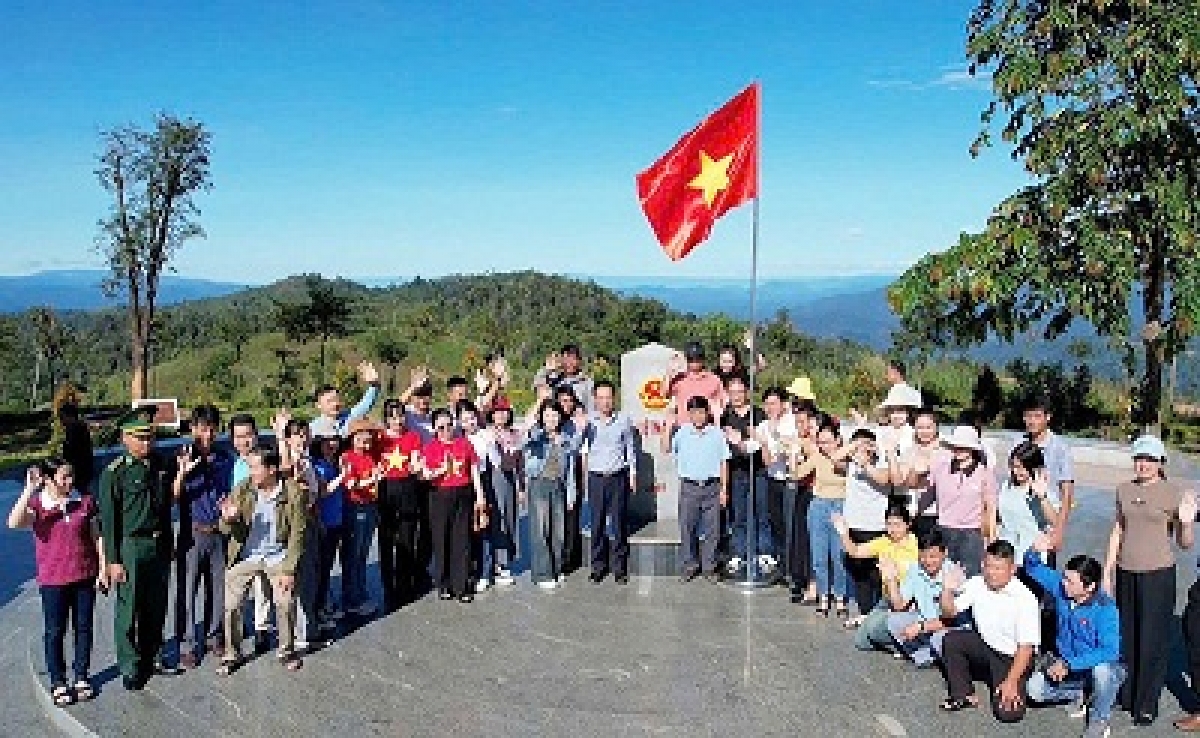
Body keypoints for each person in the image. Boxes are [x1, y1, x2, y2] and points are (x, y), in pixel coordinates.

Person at [1102, 435, 1196, 726]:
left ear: (1160, 463)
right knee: (1128, 637)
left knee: (1153, 641)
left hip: (1158, 574)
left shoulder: (1173, 493)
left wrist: (1187, 522)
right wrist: (1107, 570)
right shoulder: (1123, 489)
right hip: (1126, 570)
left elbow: (1185, 543)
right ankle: (1127, 695)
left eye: (1150, 459)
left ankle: (1146, 703)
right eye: (1139, 458)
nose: (1143, 464)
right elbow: (1118, 529)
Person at [8, 459, 105, 707]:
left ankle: (81, 676)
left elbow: (97, 536)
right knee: (55, 632)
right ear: (49, 479)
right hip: (53, 580)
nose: (69, 482)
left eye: (71, 476)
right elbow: (13, 522)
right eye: (64, 477)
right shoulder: (38, 505)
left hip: (84, 575)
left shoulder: (83, 501)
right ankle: (58, 681)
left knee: (83, 628)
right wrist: (29, 490)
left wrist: (102, 567)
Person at [97, 411, 179, 690]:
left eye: (150, 437)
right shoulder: (115, 473)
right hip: (131, 545)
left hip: (157, 544)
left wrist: (169, 543)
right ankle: (130, 666)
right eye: (140, 438)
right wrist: (113, 561)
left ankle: (152, 655)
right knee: (128, 607)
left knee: (156, 605)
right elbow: (109, 522)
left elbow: (165, 509)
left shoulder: (160, 465)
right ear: (125, 438)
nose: (147, 443)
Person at [216, 446, 308, 675]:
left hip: (278, 555)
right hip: (247, 554)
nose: (251, 473)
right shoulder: (244, 489)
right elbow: (224, 527)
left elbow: (298, 534)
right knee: (231, 605)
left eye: (255, 467)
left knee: (285, 601)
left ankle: (287, 650)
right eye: (250, 467)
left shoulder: (293, 493)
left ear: (272, 469)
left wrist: (289, 569)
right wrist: (229, 519)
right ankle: (231, 654)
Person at [1023, 537, 1125, 738]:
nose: (1063, 583)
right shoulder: (1062, 588)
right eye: (1064, 577)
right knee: (1033, 689)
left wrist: (1069, 664)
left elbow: (1110, 651)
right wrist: (1034, 551)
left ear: (1089, 587)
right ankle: (1082, 693)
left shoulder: (1106, 609)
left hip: (1098, 665)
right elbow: (1032, 569)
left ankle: (1099, 719)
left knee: (1103, 672)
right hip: (1069, 666)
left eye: (1070, 580)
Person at [937, 540, 1040, 723]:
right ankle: (963, 694)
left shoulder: (1025, 599)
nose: (991, 573)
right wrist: (947, 590)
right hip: (985, 645)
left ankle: (1003, 679)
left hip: (1011, 657)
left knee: (1008, 714)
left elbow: (1026, 648)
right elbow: (950, 612)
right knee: (952, 640)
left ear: (1012, 569)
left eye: (998, 568)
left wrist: (1011, 682)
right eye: (988, 566)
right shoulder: (977, 583)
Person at [173, 404, 234, 668]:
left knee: (217, 589)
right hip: (192, 533)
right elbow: (173, 497)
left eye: (211, 428)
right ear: (192, 429)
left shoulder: (224, 458)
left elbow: (230, 490)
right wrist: (182, 473)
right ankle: (186, 644)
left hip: (218, 531)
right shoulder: (183, 456)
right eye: (201, 428)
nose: (207, 434)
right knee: (187, 592)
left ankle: (214, 636)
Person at [912, 425, 997, 577]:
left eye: (963, 446)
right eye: (956, 446)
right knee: (942, 576)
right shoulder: (941, 467)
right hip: (944, 529)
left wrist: (991, 539)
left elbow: (990, 508)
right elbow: (925, 491)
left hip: (971, 533)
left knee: (970, 577)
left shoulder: (984, 473)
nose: (958, 449)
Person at [422, 408, 486, 602]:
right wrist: (441, 469)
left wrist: (480, 495)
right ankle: (443, 583)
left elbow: (473, 469)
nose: (446, 430)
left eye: (449, 425)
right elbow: (425, 474)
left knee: (462, 540)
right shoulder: (430, 447)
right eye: (441, 427)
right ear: (434, 428)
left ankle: (462, 584)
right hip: (440, 495)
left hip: (463, 493)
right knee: (442, 540)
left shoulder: (464, 443)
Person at [792, 418, 855, 616]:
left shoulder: (846, 458)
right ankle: (823, 597)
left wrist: (839, 453)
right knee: (818, 555)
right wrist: (794, 455)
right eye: (821, 442)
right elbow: (797, 475)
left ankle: (840, 598)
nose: (824, 446)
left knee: (838, 556)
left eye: (828, 441)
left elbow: (844, 468)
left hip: (840, 506)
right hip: (819, 505)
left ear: (838, 441)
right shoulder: (817, 456)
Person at [832, 505, 917, 649]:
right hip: (887, 600)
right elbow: (855, 551)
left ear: (908, 524)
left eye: (897, 525)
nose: (893, 529)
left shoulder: (915, 545)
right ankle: (885, 631)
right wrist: (843, 533)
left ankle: (901, 641)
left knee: (876, 629)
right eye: (889, 524)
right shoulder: (884, 541)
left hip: (908, 601)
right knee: (861, 641)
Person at [272, 414, 322, 653]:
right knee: (298, 581)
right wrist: (281, 437)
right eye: (296, 435)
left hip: (311, 521)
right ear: (288, 439)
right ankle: (298, 636)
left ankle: (307, 630)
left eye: (305, 434)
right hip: (296, 527)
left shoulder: (307, 458)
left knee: (309, 577)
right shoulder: (290, 458)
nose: (302, 439)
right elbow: (286, 471)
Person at [839, 428, 898, 626]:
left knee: (878, 573)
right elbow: (833, 458)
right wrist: (854, 445)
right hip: (853, 524)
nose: (863, 448)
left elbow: (884, 479)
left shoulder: (881, 462)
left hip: (876, 526)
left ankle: (880, 613)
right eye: (859, 444)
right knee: (859, 573)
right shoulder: (850, 463)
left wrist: (866, 462)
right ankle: (865, 612)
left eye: (867, 444)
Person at [581, 380, 637, 585]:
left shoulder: (623, 420)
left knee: (618, 524)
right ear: (595, 399)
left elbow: (629, 448)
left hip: (618, 477)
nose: (605, 402)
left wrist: (633, 474)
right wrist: (584, 479)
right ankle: (598, 566)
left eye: (608, 397)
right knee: (596, 525)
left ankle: (619, 568)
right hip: (596, 478)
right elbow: (583, 451)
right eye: (601, 398)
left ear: (614, 398)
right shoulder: (588, 422)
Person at [523, 396, 582, 589]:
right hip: (539, 484)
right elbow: (525, 428)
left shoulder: (566, 439)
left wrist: (571, 494)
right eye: (546, 414)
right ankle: (542, 574)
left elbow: (571, 469)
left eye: (554, 414)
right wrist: (539, 400)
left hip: (559, 486)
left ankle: (556, 569)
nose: (551, 418)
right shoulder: (536, 436)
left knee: (559, 531)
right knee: (541, 529)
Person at [671, 396, 730, 583]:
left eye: (702, 412)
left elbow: (724, 462)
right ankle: (689, 565)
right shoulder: (682, 433)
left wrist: (724, 489)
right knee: (687, 528)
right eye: (694, 412)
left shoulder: (717, 434)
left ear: (707, 413)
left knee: (713, 531)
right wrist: (667, 423)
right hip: (689, 487)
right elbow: (666, 447)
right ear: (689, 414)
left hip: (712, 487)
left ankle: (709, 567)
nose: (698, 416)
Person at [227, 413, 272, 654]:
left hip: (262, 529)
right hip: (238, 531)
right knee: (239, 582)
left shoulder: (265, 460)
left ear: (256, 435)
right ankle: (238, 626)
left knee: (262, 583)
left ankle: (261, 629)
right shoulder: (231, 464)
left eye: (248, 435)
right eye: (238, 437)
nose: (244, 441)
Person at [721, 374, 771, 578]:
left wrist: (740, 440)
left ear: (747, 393)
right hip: (736, 473)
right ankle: (739, 554)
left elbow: (757, 445)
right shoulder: (725, 416)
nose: (736, 396)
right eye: (732, 392)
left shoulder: (758, 415)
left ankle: (764, 555)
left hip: (758, 472)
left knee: (761, 515)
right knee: (738, 516)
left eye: (739, 392)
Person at [885, 529, 958, 668]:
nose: (928, 562)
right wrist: (891, 580)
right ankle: (928, 657)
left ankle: (933, 655)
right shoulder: (915, 569)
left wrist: (921, 627)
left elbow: (954, 620)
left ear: (945, 553)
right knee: (894, 621)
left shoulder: (954, 574)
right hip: (923, 621)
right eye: (923, 557)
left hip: (946, 627)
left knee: (940, 639)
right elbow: (899, 605)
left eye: (933, 556)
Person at [377, 399, 424, 610]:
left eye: (400, 416)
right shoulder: (379, 438)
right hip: (385, 490)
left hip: (407, 489)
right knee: (386, 540)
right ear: (386, 418)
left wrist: (417, 467)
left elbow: (414, 461)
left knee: (407, 538)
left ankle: (404, 584)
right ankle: (388, 586)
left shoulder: (412, 437)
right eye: (392, 417)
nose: (397, 421)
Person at [339, 418, 384, 617]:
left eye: (368, 439)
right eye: (361, 438)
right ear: (352, 438)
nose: (366, 443)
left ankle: (360, 594)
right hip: (355, 507)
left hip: (370, 506)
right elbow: (350, 484)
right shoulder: (347, 457)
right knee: (353, 555)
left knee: (363, 553)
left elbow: (381, 431)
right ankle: (352, 598)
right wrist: (372, 479)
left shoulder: (369, 455)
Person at [759, 386, 801, 593]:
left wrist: (780, 439)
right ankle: (781, 565)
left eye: (774, 403)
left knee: (791, 524)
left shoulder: (793, 422)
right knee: (776, 523)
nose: (770, 408)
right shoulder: (763, 426)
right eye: (766, 404)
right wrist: (767, 443)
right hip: (773, 479)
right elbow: (768, 460)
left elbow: (792, 450)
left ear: (784, 404)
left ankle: (793, 570)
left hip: (790, 481)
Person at [1021, 394, 1075, 555]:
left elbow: (1066, 494)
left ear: (1048, 417)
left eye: (1037, 416)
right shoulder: (1018, 444)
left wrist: (1059, 531)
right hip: (1021, 521)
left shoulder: (1060, 448)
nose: (1032, 421)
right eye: (1028, 416)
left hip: (1046, 525)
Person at [996, 441, 1059, 564]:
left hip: (1033, 555)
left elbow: (1056, 521)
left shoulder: (1042, 489)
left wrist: (1042, 497)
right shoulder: (1007, 485)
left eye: (1022, 467)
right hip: (1008, 554)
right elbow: (1000, 516)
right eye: (1014, 466)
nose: (1017, 471)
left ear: (1034, 467)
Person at [310, 434, 347, 631]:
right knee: (321, 570)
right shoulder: (317, 465)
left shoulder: (332, 463)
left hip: (336, 522)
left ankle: (323, 603)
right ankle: (318, 610)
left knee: (327, 568)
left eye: (335, 441)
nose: (332, 445)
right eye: (326, 442)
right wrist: (343, 475)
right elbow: (324, 491)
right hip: (324, 524)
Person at [486, 398, 523, 586]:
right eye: (497, 411)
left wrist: (521, 487)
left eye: (504, 411)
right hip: (493, 480)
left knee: (510, 519)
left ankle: (505, 561)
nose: (501, 415)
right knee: (496, 520)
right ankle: (497, 564)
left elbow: (519, 463)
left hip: (510, 481)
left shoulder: (515, 433)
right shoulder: (488, 433)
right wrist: (492, 385)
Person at [552, 385, 587, 575]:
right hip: (552, 475)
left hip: (573, 474)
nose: (566, 404)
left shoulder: (578, 423)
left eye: (569, 400)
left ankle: (569, 558)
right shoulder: (550, 420)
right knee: (555, 518)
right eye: (562, 400)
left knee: (572, 515)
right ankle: (555, 556)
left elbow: (581, 450)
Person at [897, 410, 944, 538]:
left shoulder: (947, 450)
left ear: (936, 427)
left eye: (928, 427)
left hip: (944, 514)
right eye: (920, 427)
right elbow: (906, 483)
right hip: (916, 512)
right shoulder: (909, 452)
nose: (924, 431)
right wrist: (917, 472)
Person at [666, 341, 727, 440]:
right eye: (691, 359)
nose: (694, 362)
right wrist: (669, 372)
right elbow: (663, 394)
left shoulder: (714, 379)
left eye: (697, 358)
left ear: (703, 359)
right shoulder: (679, 378)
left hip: (706, 430)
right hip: (683, 429)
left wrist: (718, 422)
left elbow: (724, 403)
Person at [308, 361, 381, 438]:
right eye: (329, 401)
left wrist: (374, 384)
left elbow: (365, 404)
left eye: (336, 399)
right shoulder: (313, 429)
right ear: (318, 405)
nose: (335, 404)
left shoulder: (349, 416)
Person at [533, 344, 595, 414]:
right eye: (566, 359)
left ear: (579, 361)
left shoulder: (586, 382)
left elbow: (591, 407)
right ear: (561, 361)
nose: (569, 363)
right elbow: (538, 387)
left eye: (573, 359)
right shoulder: (554, 379)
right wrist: (546, 369)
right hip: (554, 420)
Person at [59, 403, 94, 494]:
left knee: (79, 493)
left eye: (62, 417)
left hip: (78, 469)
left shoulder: (73, 428)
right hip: (84, 468)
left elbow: (72, 451)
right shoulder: (81, 426)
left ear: (69, 416)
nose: (61, 420)